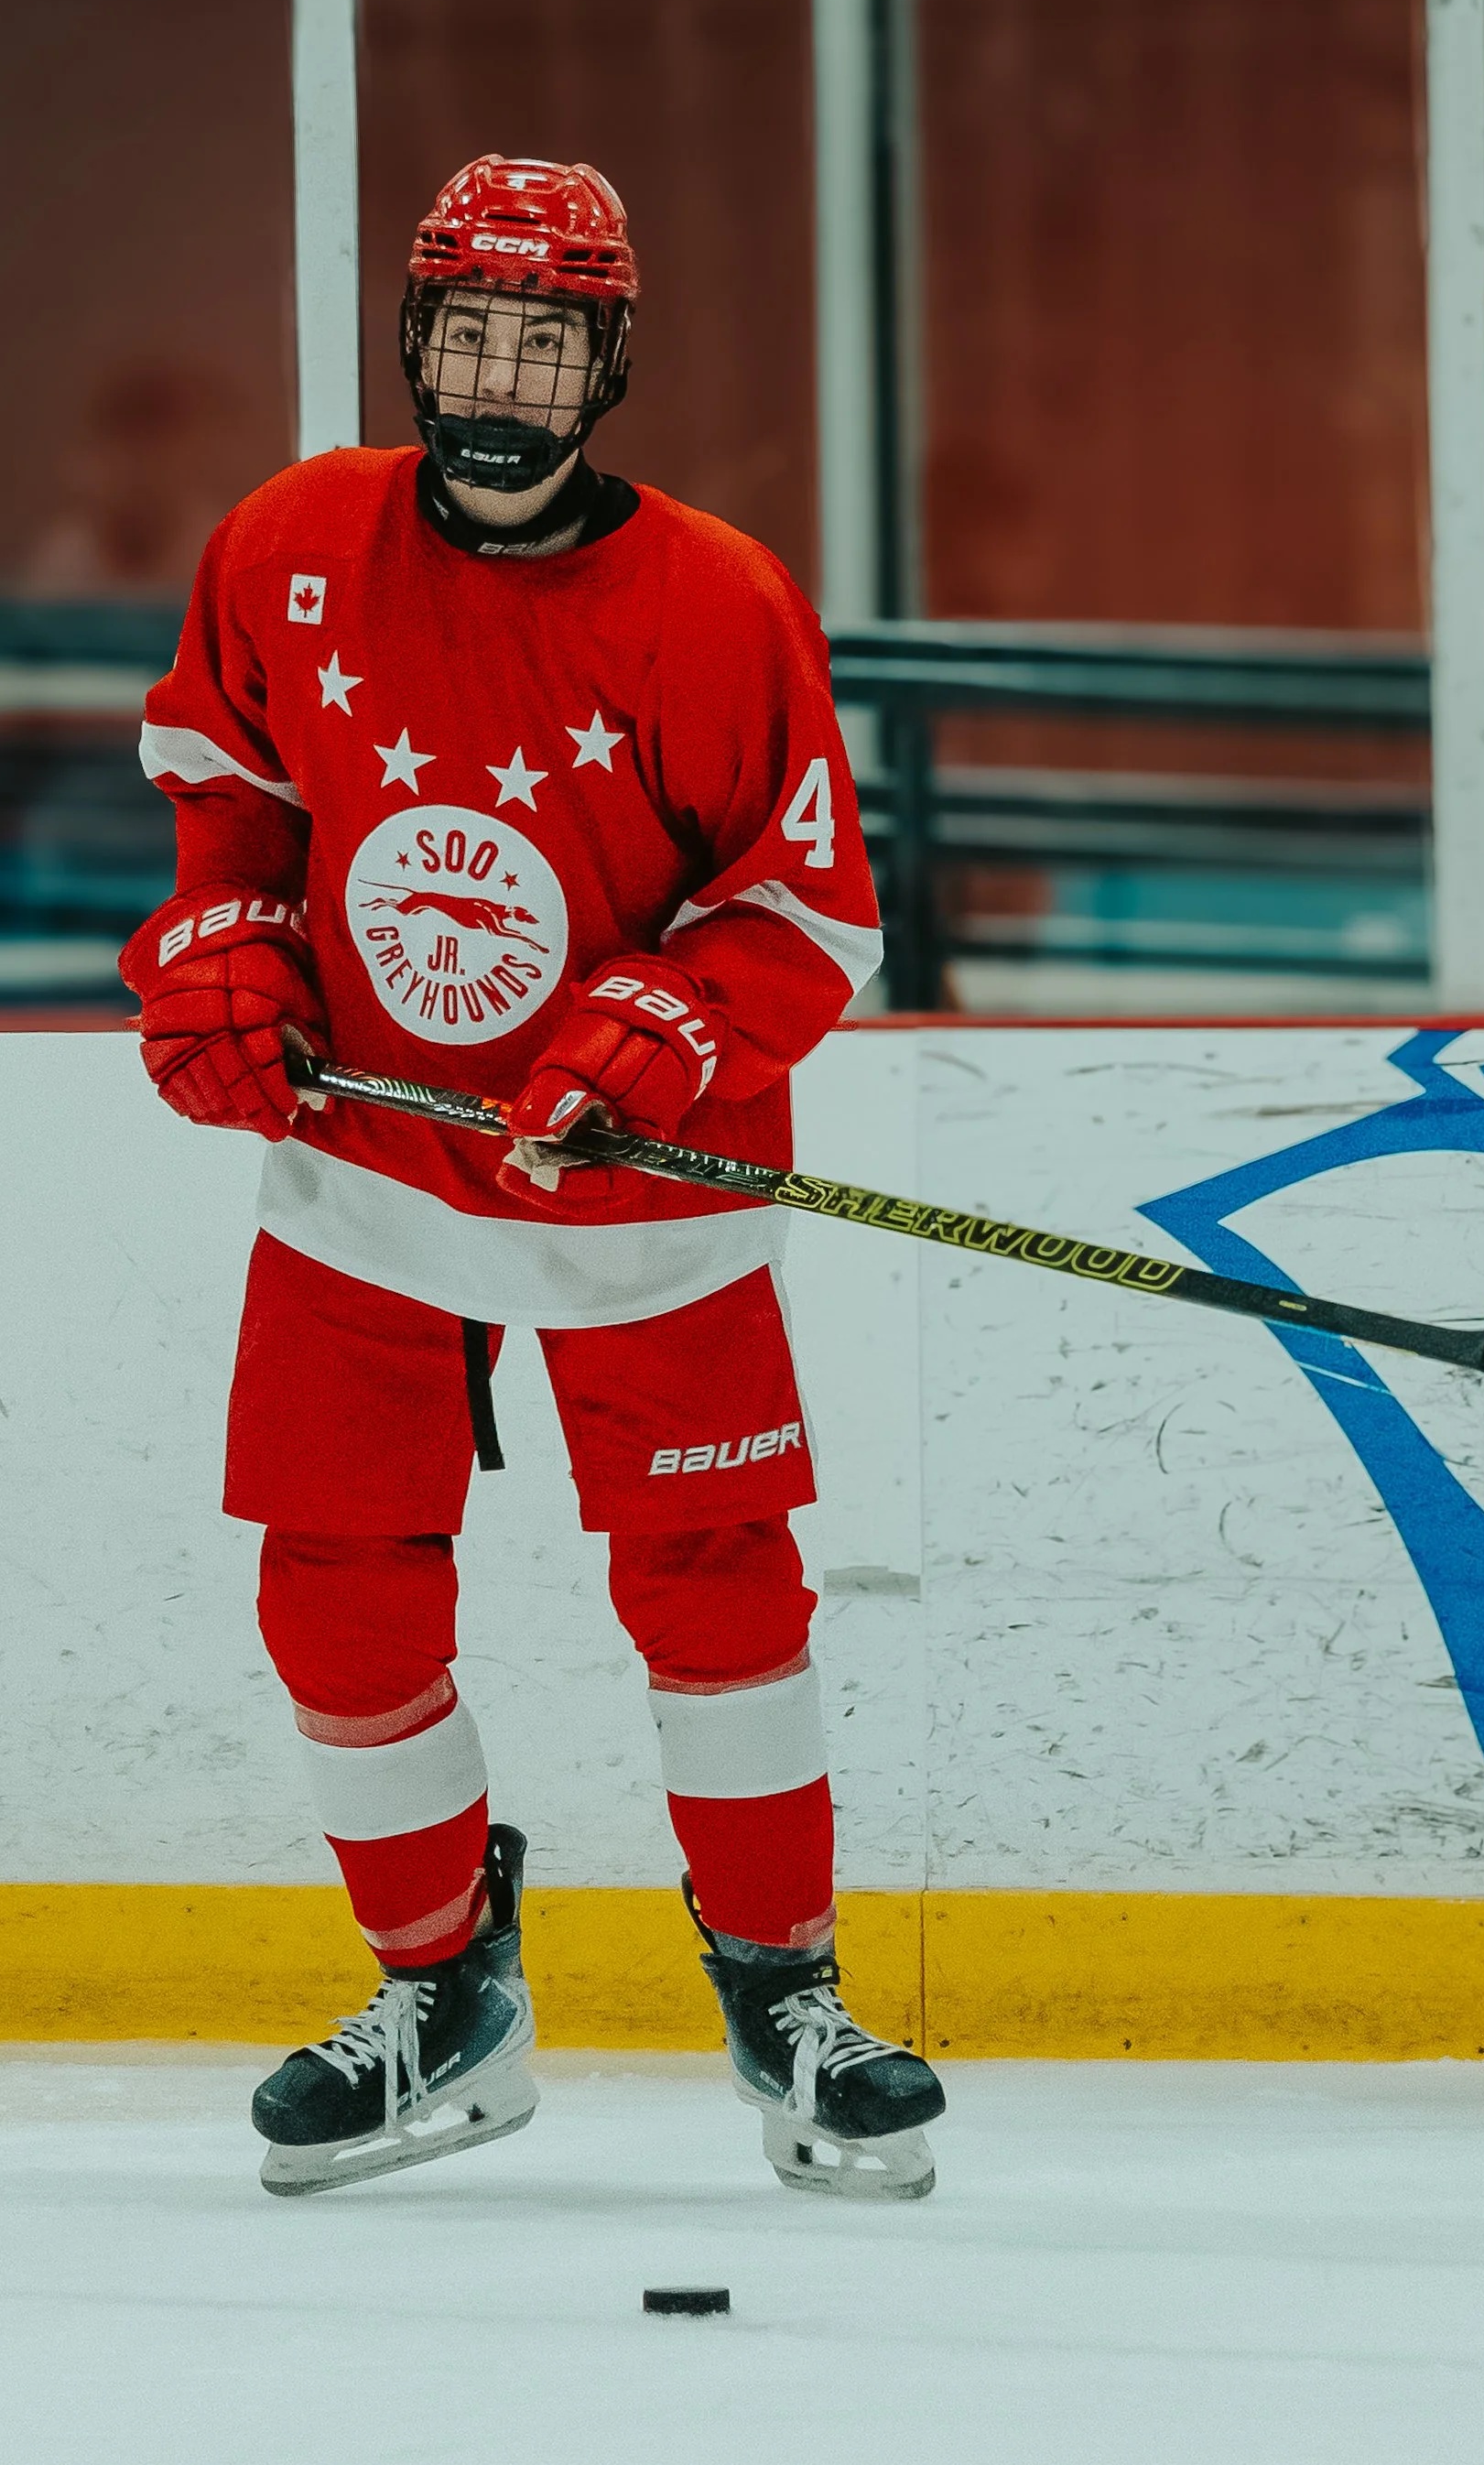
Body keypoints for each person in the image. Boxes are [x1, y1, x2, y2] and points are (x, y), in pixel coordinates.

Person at [119, 153, 946, 2203]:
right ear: (415, 341)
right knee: (331, 1590)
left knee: (715, 1587)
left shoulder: (715, 599)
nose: (499, 376)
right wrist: (221, 946)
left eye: (544, 338)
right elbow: (222, 794)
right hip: (371, 1162)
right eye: (467, 331)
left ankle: (788, 1998)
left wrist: (675, 1015)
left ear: (609, 360)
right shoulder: (289, 544)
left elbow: (809, 911)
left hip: (642, 1182)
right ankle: (442, 1995)